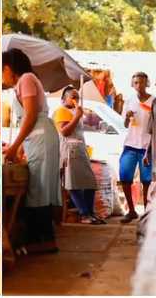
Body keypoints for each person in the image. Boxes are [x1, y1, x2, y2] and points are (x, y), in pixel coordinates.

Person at [2, 48, 60, 254]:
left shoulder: (26, 79)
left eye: (2, 72)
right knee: (39, 187)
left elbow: (30, 115)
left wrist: (16, 145)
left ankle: (44, 240)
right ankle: (42, 238)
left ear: (8, 68)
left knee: (39, 188)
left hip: (41, 136)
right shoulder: (22, 83)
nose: (3, 77)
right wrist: (16, 147)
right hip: (37, 138)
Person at [52, 86, 105, 225]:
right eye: (73, 96)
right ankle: (84, 214)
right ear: (64, 99)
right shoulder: (61, 111)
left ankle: (91, 213)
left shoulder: (76, 112)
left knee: (90, 183)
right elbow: (64, 132)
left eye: (77, 97)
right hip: (71, 151)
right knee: (73, 183)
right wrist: (76, 116)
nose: (76, 99)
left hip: (80, 149)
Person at [119, 72, 154, 223]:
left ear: (147, 83)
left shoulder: (155, 101)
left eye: (141, 82)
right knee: (125, 177)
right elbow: (125, 125)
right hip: (130, 145)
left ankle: (146, 213)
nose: (138, 85)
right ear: (132, 85)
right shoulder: (129, 101)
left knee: (146, 181)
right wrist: (127, 117)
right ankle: (132, 211)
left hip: (147, 147)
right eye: (136, 83)